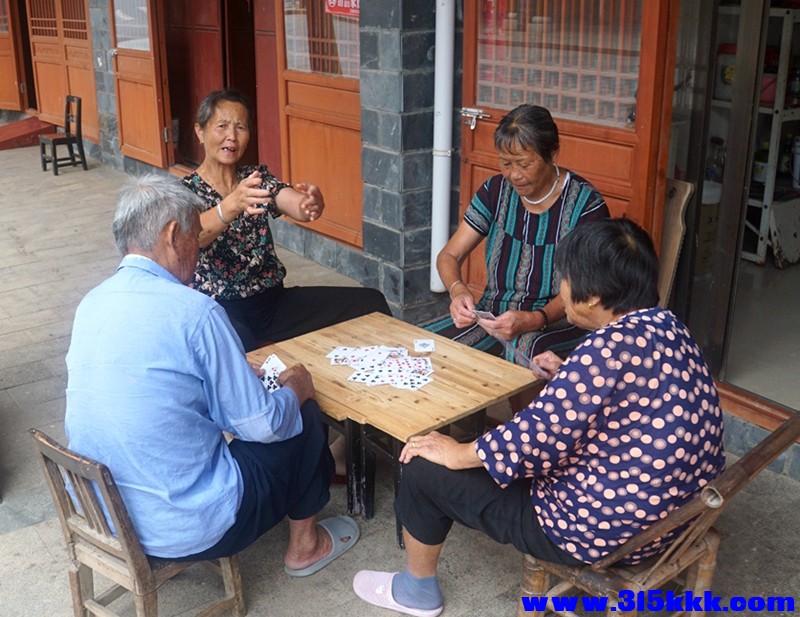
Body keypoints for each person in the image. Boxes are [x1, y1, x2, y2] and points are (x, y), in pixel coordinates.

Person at [353, 218, 725, 617]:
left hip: (600, 531)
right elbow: (634, 396)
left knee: (424, 466)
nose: (561, 290)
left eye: (565, 280)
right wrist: (569, 375)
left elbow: (532, 442)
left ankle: (416, 591)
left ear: (594, 297)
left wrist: (455, 451)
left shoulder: (601, 352)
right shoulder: (669, 327)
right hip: (675, 520)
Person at [65, 173, 359, 576]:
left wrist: (231, 374)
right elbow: (263, 426)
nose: (197, 250)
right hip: (186, 528)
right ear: (172, 235)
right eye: (193, 235)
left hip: (106, 517)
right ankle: (305, 546)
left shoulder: (90, 304)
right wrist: (295, 388)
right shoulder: (196, 311)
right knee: (301, 413)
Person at [181, 89, 391, 353]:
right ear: (200, 132)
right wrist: (232, 204)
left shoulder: (254, 178)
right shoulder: (185, 192)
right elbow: (193, 236)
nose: (231, 136)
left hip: (273, 302)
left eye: (241, 127)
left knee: (369, 303)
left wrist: (308, 204)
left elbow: (289, 201)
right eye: (221, 126)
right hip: (221, 307)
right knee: (241, 352)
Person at [426, 104, 609, 364]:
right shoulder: (495, 191)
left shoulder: (586, 206)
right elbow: (449, 255)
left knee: (526, 350)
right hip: (494, 314)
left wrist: (535, 319)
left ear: (552, 154)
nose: (514, 175)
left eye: (524, 163)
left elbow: (585, 287)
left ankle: (532, 408)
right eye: (505, 163)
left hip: (561, 320)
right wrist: (458, 292)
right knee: (429, 345)